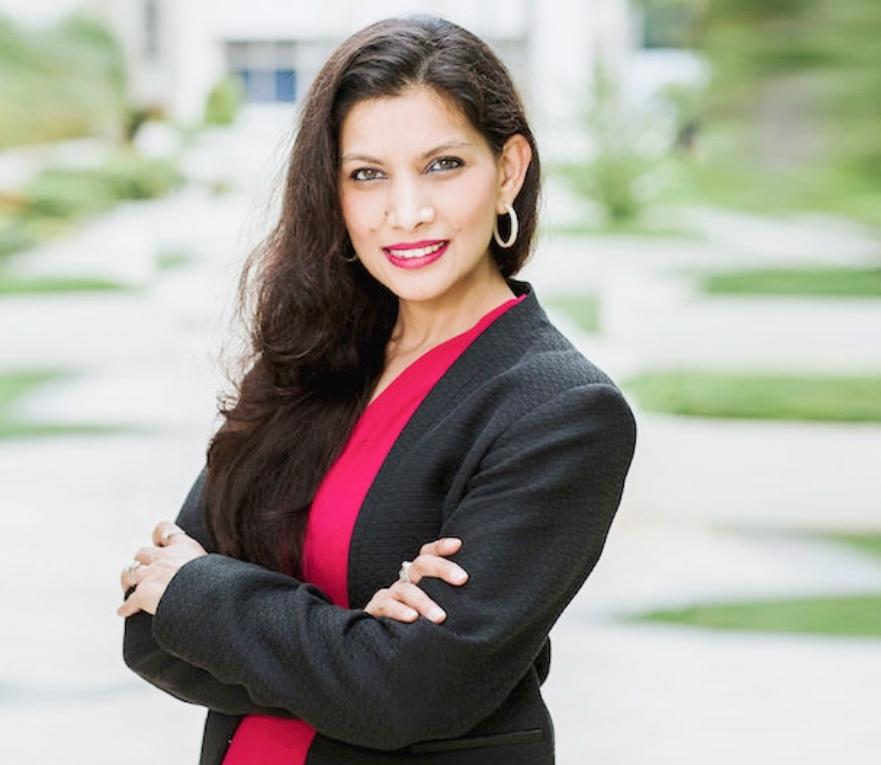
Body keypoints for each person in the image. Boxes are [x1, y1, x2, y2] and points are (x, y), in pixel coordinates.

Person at [119, 15, 637, 764]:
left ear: (509, 170)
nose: (406, 212)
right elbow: (148, 629)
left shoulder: (561, 412)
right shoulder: (307, 359)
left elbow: (407, 693)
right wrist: (354, 643)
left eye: (443, 165)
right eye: (367, 174)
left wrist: (210, 602)